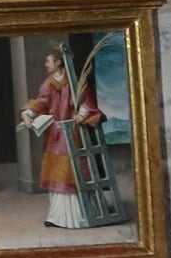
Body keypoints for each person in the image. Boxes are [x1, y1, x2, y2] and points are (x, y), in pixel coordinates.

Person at [20, 48, 106, 228]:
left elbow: (86, 101)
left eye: (48, 61)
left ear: (58, 62)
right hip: (56, 134)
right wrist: (28, 114)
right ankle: (57, 216)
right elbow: (42, 102)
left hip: (73, 132)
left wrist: (81, 115)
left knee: (73, 170)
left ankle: (80, 216)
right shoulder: (48, 84)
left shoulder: (74, 81)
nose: (46, 65)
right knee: (56, 171)